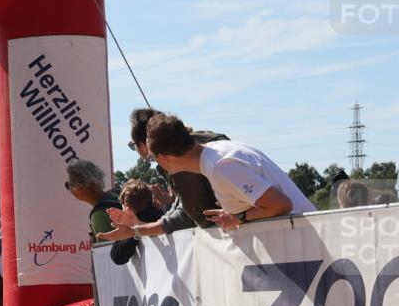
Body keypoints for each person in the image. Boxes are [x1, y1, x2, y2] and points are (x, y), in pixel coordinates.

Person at [145, 114, 315, 231]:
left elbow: (281, 205)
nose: (154, 163)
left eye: (152, 158)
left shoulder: (220, 167)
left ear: (164, 157)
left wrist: (237, 217)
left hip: (301, 242)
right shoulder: (217, 152)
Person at [99, 108, 228, 242]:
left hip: (228, 240)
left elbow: (192, 215)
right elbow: (183, 209)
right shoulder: (201, 140)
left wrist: (136, 229)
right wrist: (138, 226)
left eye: (133, 145)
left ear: (145, 145)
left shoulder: (178, 160)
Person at [109, 180, 164, 265]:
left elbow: (117, 256)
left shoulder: (134, 226)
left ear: (127, 206)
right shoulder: (161, 217)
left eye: (122, 205)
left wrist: (130, 228)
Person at [64, 159, 119, 240]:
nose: (69, 189)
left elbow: (105, 251)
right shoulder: (117, 194)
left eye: (68, 185)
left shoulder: (98, 214)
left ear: (79, 188)